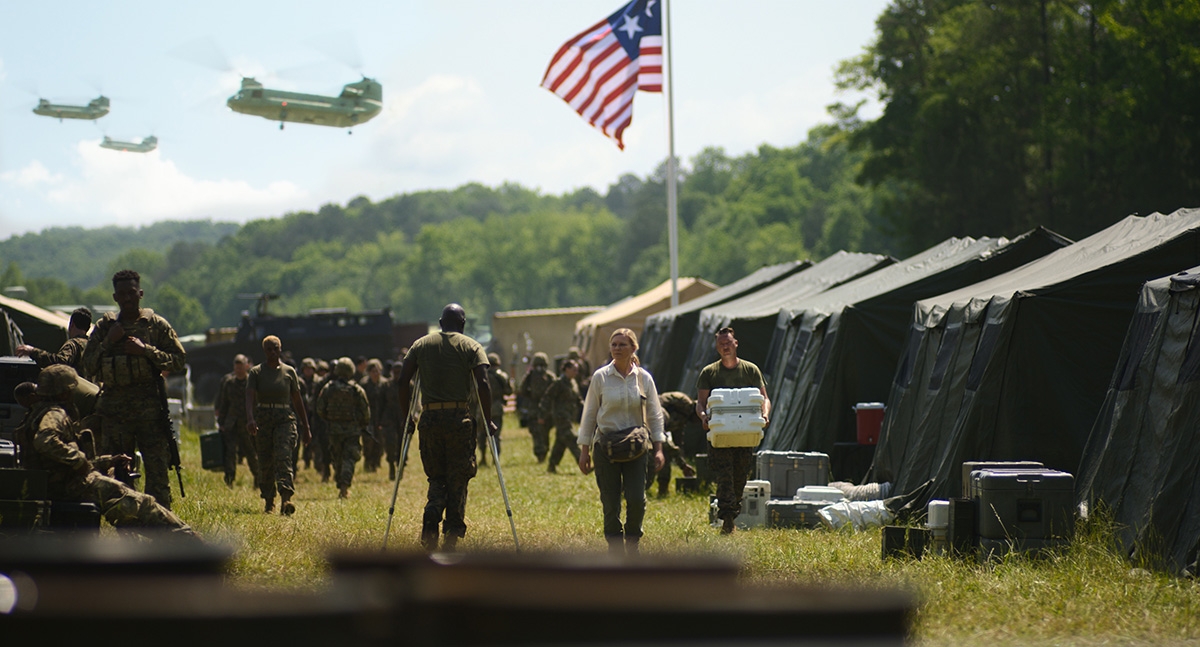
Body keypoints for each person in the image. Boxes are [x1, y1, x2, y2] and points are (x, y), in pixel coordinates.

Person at [22, 365, 197, 539]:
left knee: (131, 500)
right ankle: (190, 541)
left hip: (61, 484)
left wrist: (108, 461)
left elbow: (55, 462)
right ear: (64, 393)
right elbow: (44, 441)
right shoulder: (54, 414)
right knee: (141, 504)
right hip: (71, 487)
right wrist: (79, 460)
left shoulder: (36, 413)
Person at [395, 303, 496, 552]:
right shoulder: (471, 345)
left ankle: (432, 513)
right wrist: (488, 418)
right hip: (458, 420)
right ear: (462, 324)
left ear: (441, 323)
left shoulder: (420, 345)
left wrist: (407, 416)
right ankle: (451, 534)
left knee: (436, 477)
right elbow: (483, 383)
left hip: (429, 420)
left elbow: (402, 382)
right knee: (458, 478)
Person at [81, 270, 186, 509]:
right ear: (115, 297)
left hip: (150, 412)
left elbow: (179, 360)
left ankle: (160, 522)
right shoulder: (105, 327)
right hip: (115, 414)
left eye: (132, 293)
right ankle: (125, 522)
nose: (128, 298)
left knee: (157, 472)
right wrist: (110, 341)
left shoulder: (156, 326)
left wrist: (146, 350)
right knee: (118, 474)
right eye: (122, 294)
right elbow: (88, 364)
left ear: (140, 294)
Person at [577, 328, 665, 555]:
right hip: (605, 448)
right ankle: (615, 547)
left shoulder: (644, 378)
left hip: (637, 448)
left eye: (622, 345)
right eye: (614, 344)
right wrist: (584, 451)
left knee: (636, 498)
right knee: (610, 501)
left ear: (633, 348)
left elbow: (655, 415)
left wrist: (659, 449)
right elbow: (589, 414)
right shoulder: (601, 377)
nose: (617, 348)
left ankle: (633, 541)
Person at [696, 327, 771, 534]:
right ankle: (728, 519)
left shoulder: (750, 370)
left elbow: (764, 398)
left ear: (736, 343)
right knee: (724, 476)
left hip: (745, 435)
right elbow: (700, 403)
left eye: (728, 343)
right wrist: (703, 417)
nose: (725, 347)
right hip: (720, 436)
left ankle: (732, 511)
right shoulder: (709, 373)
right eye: (721, 344)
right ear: (717, 347)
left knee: (740, 477)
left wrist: (765, 415)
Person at [246, 335, 311, 515]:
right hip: (263, 420)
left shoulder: (289, 372)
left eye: (276, 348)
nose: (273, 352)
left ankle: (286, 500)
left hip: (284, 419)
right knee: (265, 461)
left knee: (284, 458)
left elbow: (297, 400)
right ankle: (269, 501)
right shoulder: (256, 373)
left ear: (280, 349)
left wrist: (306, 427)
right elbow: (250, 396)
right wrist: (250, 419)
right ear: (264, 351)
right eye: (269, 349)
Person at [316, 357, 370, 499]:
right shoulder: (356, 389)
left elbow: (320, 408)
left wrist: (329, 420)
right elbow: (365, 411)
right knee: (349, 458)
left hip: (334, 430)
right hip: (352, 430)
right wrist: (362, 424)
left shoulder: (328, 388)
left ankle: (341, 484)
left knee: (337, 457)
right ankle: (344, 487)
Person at [214, 354, 259, 488]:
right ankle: (229, 480)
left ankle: (258, 478)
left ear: (246, 366)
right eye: (236, 367)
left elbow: (256, 404)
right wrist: (221, 423)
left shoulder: (251, 383)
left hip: (247, 424)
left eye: (241, 367)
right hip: (231, 423)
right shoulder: (229, 383)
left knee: (251, 452)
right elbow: (223, 404)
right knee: (230, 453)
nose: (239, 370)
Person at [647, 391, 699, 497]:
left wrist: (683, 463)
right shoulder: (684, 401)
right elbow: (657, 402)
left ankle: (663, 489)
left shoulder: (681, 422)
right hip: (652, 421)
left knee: (666, 454)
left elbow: (677, 444)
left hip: (660, 432)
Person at [17, 307, 93, 378]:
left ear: (71, 324)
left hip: (76, 390)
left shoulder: (73, 344)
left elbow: (60, 363)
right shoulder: (92, 345)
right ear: (88, 327)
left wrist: (33, 352)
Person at [540, 359, 582, 474]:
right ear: (566, 369)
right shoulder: (558, 383)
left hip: (569, 416)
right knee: (571, 438)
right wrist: (543, 414)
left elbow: (578, 399)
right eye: (574, 370)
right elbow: (547, 398)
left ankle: (552, 465)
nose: (576, 372)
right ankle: (583, 463)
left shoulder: (573, 383)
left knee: (561, 442)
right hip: (561, 417)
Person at [519, 352, 556, 462]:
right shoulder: (549, 376)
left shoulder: (530, 376)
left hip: (537, 408)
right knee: (543, 432)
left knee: (538, 433)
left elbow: (522, 390)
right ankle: (543, 452)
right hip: (545, 409)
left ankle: (541, 453)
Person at [481, 352, 512, 466]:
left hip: (482, 409)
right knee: (496, 435)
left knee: (481, 434)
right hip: (497, 407)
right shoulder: (501, 376)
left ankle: (483, 457)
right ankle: (496, 459)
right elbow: (509, 391)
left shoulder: (480, 375)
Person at [359, 358, 387, 472]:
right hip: (368, 417)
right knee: (368, 441)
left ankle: (376, 462)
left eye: (377, 371)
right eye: (373, 371)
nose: (375, 374)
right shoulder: (364, 384)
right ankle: (368, 462)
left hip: (381, 417)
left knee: (380, 442)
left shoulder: (385, 384)